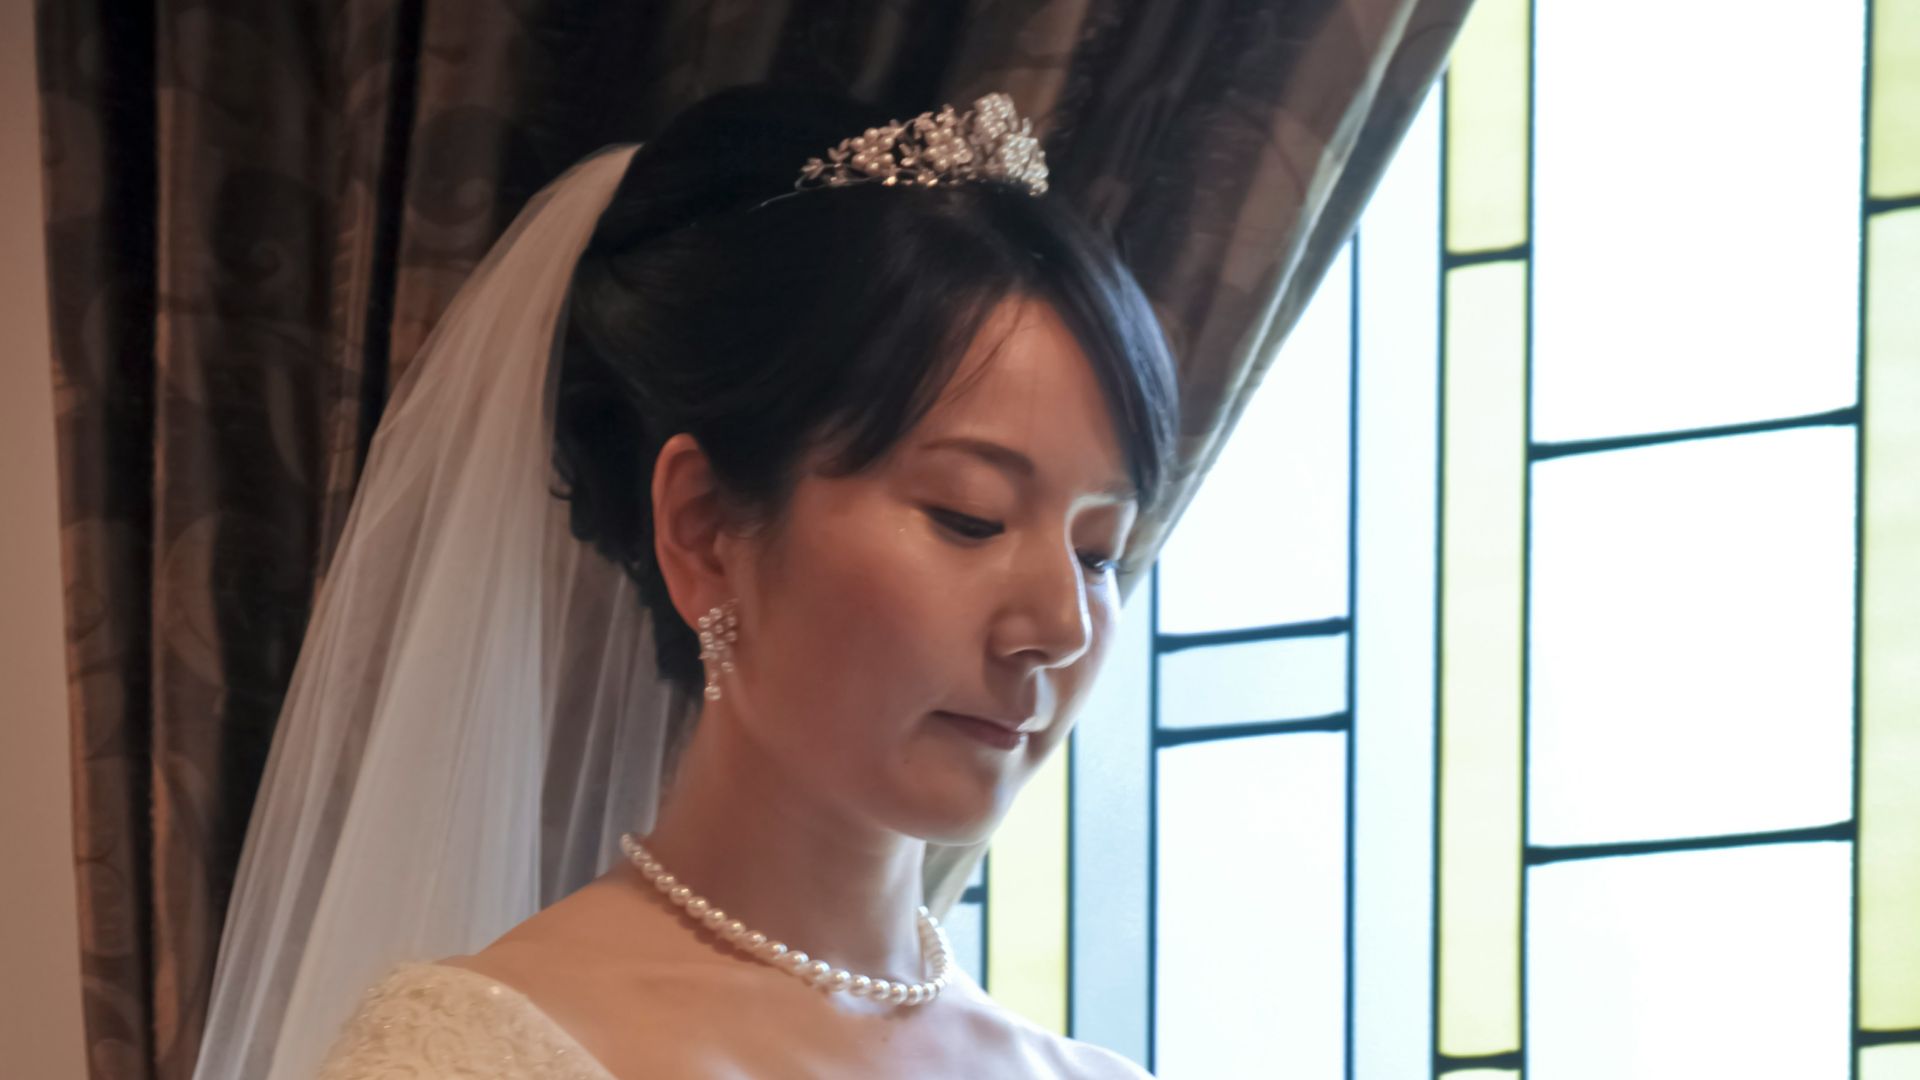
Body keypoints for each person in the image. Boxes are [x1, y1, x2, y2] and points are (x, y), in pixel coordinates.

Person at [197, 83, 1178, 1079]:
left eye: (1098, 552)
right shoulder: (472, 1058)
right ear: (704, 529)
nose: (1061, 624)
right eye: (969, 516)